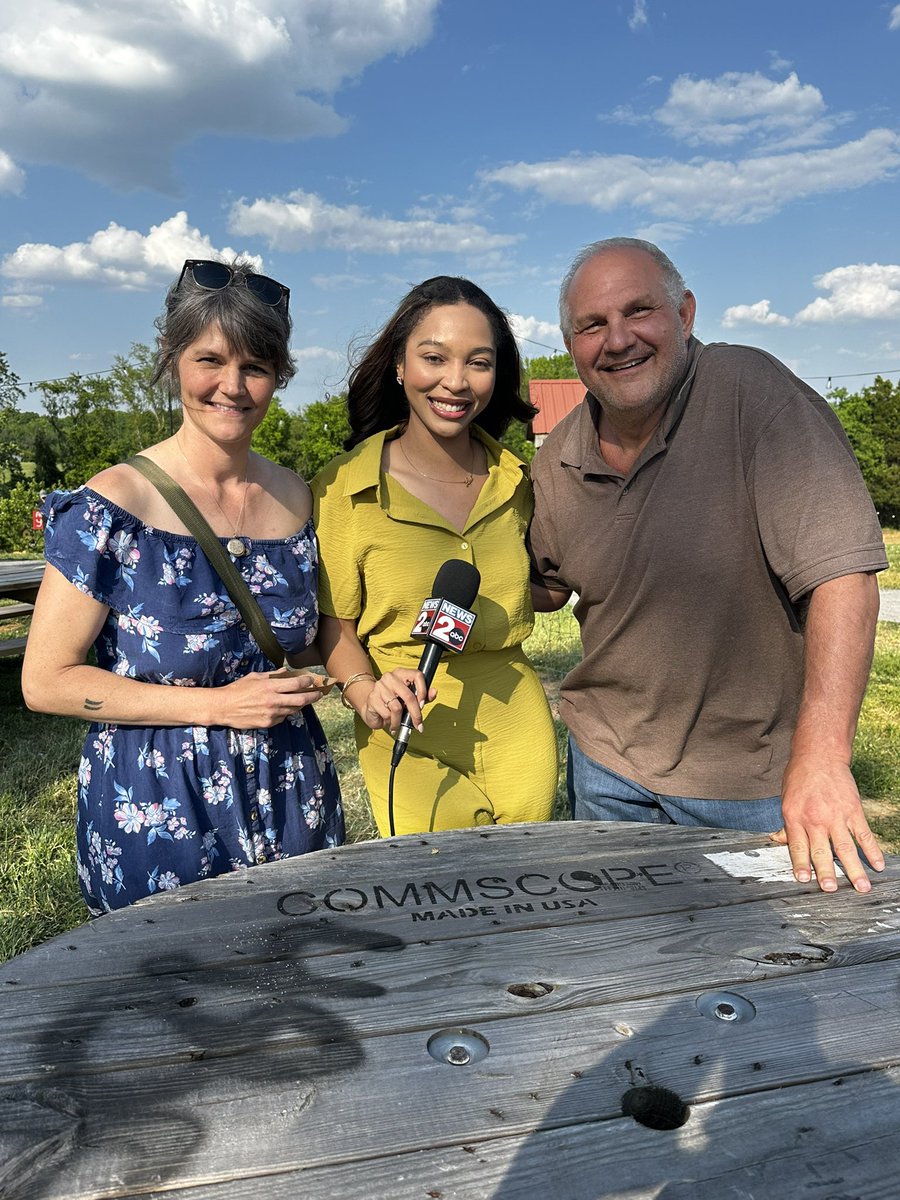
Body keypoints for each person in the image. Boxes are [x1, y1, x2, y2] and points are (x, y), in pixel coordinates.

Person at [528, 237, 889, 894]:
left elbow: (843, 578)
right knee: (622, 968)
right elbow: (545, 589)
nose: (617, 340)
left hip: (750, 783)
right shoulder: (556, 459)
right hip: (606, 768)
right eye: (592, 325)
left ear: (685, 314)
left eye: (639, 311)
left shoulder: (752, 394)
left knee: (768, 972)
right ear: (571, 343)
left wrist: (823, 759)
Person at [22, 258, 344, 915]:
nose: (233, 385)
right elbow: (45, 681)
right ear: (172, 360)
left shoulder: (295, 495)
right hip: (160, 806)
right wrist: (218, 707)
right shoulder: (113, 504)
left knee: (296, 989)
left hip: (289, 792)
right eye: (211, 360)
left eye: (255, 366)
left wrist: (353, 680)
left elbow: (305, 646)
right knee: (172, 1004)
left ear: (280, 375)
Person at [312, 275, 558, 835]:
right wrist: (362, 691)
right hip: (403, 717)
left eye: (478, 362)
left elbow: (551, 582)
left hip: (515, 724)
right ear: (399, 366)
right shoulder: (343, 490)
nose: (456, 381)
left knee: (527, 887)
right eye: (434, 357)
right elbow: (335, 625)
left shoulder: (519, 482)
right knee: (435, 888)